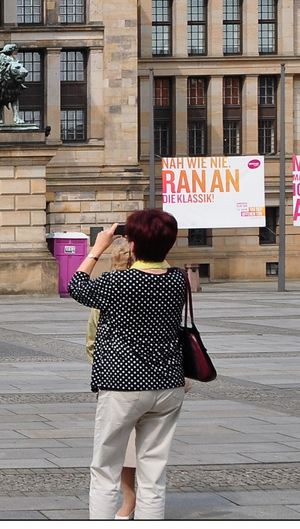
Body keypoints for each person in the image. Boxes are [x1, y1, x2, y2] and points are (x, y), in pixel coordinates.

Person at [68, 211, 189, 520]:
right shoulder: (179, 279)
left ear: (133, 246)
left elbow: (77, 286)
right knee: (153, 473)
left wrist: (98, 248)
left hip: (123, 385)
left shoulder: (119, 281)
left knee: (106, 469)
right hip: (167, 385)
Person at [84, 238, 138, 519]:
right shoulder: (165, 283)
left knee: (113, 453)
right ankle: (138, 504)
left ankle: (128, 501)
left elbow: (92, 341)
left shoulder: (107, 291)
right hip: (163, 382)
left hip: (119, 383)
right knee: (152, 454)